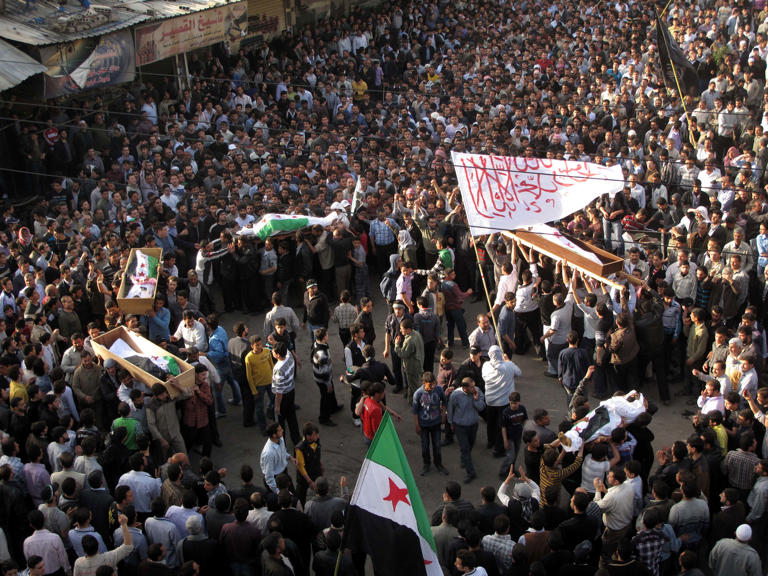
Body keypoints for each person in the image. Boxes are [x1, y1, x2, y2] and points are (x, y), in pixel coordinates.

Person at [448, 378, 486, 484]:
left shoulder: (477, 392)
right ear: (464, 388)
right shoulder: (455, 395)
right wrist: (450, 423)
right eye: (471, 387)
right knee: (465, 447)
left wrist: (476, 399)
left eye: (474, 386)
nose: (474, 388)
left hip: (473, 425)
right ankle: (470, 472)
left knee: (470, 445)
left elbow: (481, 407)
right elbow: (450, 408)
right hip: (460, 426)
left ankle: (464, 459)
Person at [412, 372, 448, 476]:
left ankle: (438, 464)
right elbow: (415, 411)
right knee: (425, 446)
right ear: (424, 383)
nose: (432, 387)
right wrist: (417, 425)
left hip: (436, 423)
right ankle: (426, 464)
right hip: (423, 425)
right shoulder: (418, 394)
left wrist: (443, 415)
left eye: (434, 384)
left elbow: (444, 402)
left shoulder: (439, 390)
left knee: (437, 445)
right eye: (430, 385)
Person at [271, 342, 299, 446]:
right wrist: (275, 342)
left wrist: (277, 406)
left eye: (273, 351)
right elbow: (286, 349)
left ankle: (281, 444)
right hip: (291, 391)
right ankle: (296, 439)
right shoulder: (289, 357)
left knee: (280, 422)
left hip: (283, 396)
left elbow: (279, 391)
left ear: (278, 355)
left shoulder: (279, 368)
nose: (272, 352)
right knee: (292, 417)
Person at [260, 423, 295, 495]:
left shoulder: (280, 439)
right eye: (280, 430)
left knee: (293, 494)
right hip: (275, 479)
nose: (282, 430)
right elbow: (269, 476)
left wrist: (290, 457)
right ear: (274, 435)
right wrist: (277, 492)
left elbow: (283, 451)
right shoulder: (269, 453)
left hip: (283, 473)